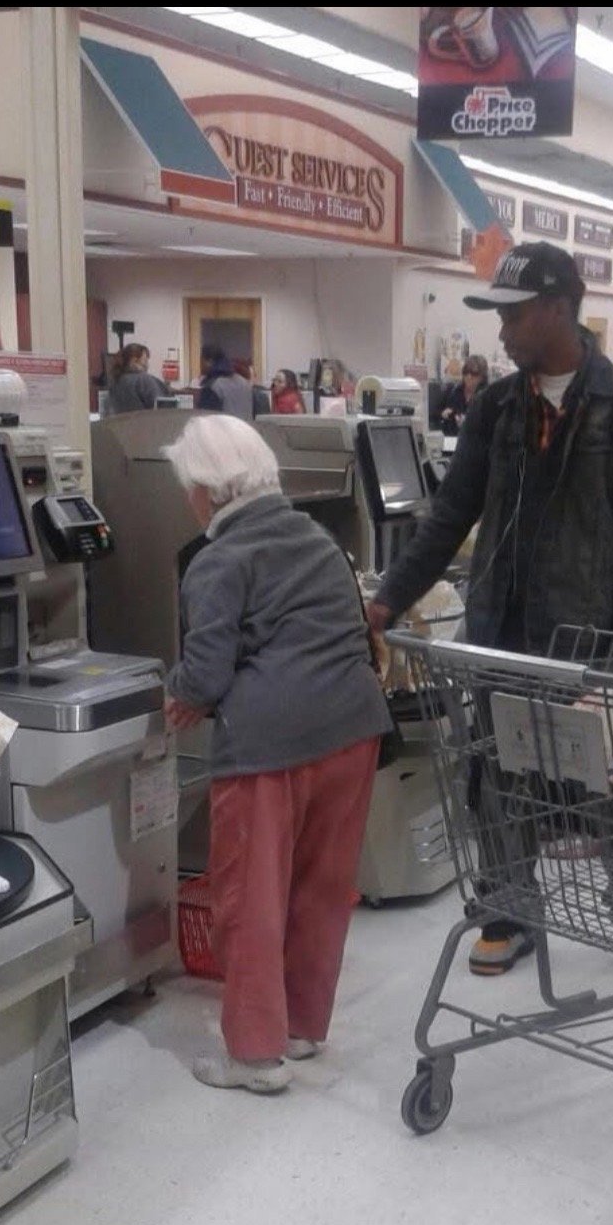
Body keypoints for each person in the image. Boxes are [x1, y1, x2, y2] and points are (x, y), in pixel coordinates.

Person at [365, 241, 613, 977]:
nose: (501, 331)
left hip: (589, 639)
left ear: (559, 309)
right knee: (497, 776)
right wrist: (388, 600)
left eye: (514, 313)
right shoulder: (496, 408)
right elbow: (450, 516)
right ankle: (508, 912)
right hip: (501, 631)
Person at [165, 415, 392, 1093]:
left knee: (252, 897)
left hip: (270, 747)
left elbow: (203, 676)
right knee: (321, 889)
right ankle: (299, 1028)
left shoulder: (217, 560)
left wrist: (172, 698)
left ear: (206, 491)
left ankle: (255, 1058)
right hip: (352, 731)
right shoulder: (316, 537)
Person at [195, 346, 254, 420]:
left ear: (209, 362)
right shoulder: (244, 383)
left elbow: (206, 418)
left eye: (201, 361)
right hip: (246, 429)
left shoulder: (213, 386)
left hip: (222, 430)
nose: (200, 366)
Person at [106, 343, 167, 413]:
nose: (147, 365)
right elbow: (163, 407)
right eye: (145, 360)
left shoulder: (116, 382)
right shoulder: (144, 380)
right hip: (146, 422)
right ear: (135, 360)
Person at [438, 353, 489, 432]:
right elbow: (436, 416)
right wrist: (443, 414)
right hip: (451, 438)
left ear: (482, 377)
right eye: (466, 372)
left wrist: (469, 423)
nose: (469, 377)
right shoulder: (453, 391)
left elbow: (488, 425)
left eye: (474, 374)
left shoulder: (486, 396)